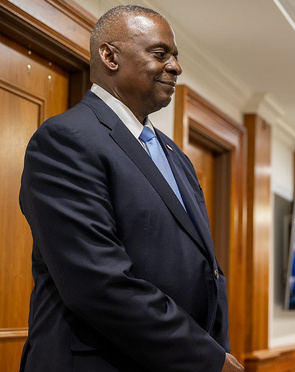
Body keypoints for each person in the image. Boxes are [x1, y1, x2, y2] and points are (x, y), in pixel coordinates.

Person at [18, 5, 243, 372]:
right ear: (109, 56)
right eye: (159, 54)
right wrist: (205, 357)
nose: (175, 66)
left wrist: (214, 349)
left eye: (175, 56)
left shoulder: (174, 154)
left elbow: (205, 269)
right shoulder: (66, 139)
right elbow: (98, 282)